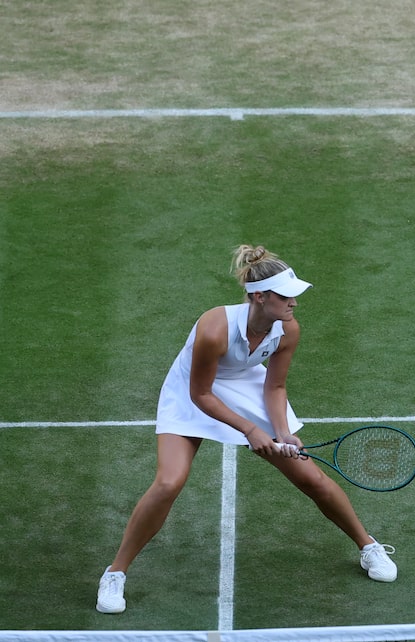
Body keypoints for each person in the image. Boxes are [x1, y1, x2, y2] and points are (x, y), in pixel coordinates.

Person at [97, 245, 397, 613]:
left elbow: (275, 387)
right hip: (192, 390)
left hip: (245, 386)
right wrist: (250, 431)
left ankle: (368, 547)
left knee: (311, 479)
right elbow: (201, 394)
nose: (295, 304)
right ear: (259, 297)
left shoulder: (287, 330)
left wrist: (282, 432)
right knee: (168, 483)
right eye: (287, 297)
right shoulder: (213, 328)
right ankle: (115, 573)